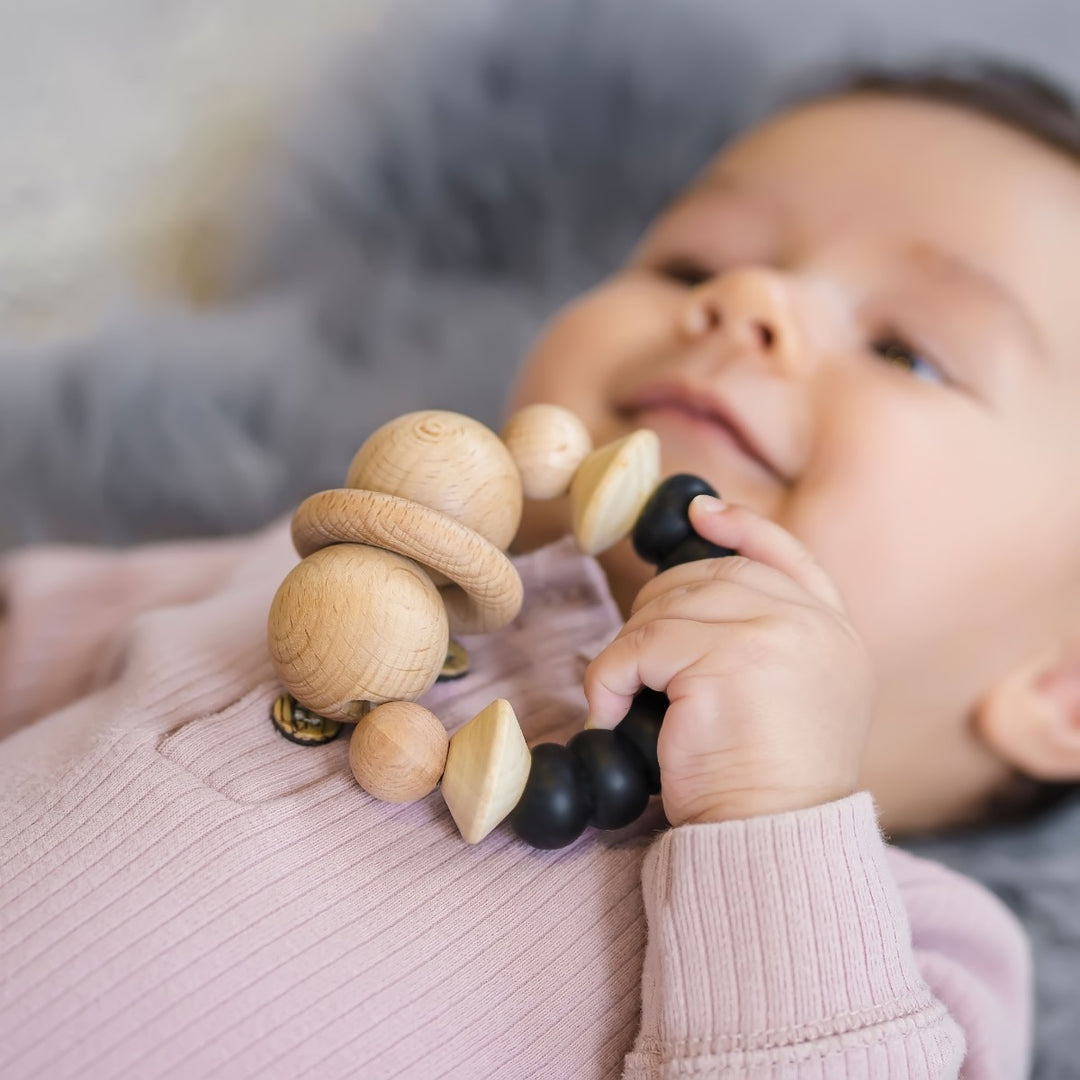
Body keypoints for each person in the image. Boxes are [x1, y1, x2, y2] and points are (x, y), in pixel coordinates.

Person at [5, 59, 1078, 1077]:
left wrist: (771, 817)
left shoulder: (920, 959)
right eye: (689, 265)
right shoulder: (335, 564)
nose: (751, 298)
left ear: (1063, 689)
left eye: (907, 351)